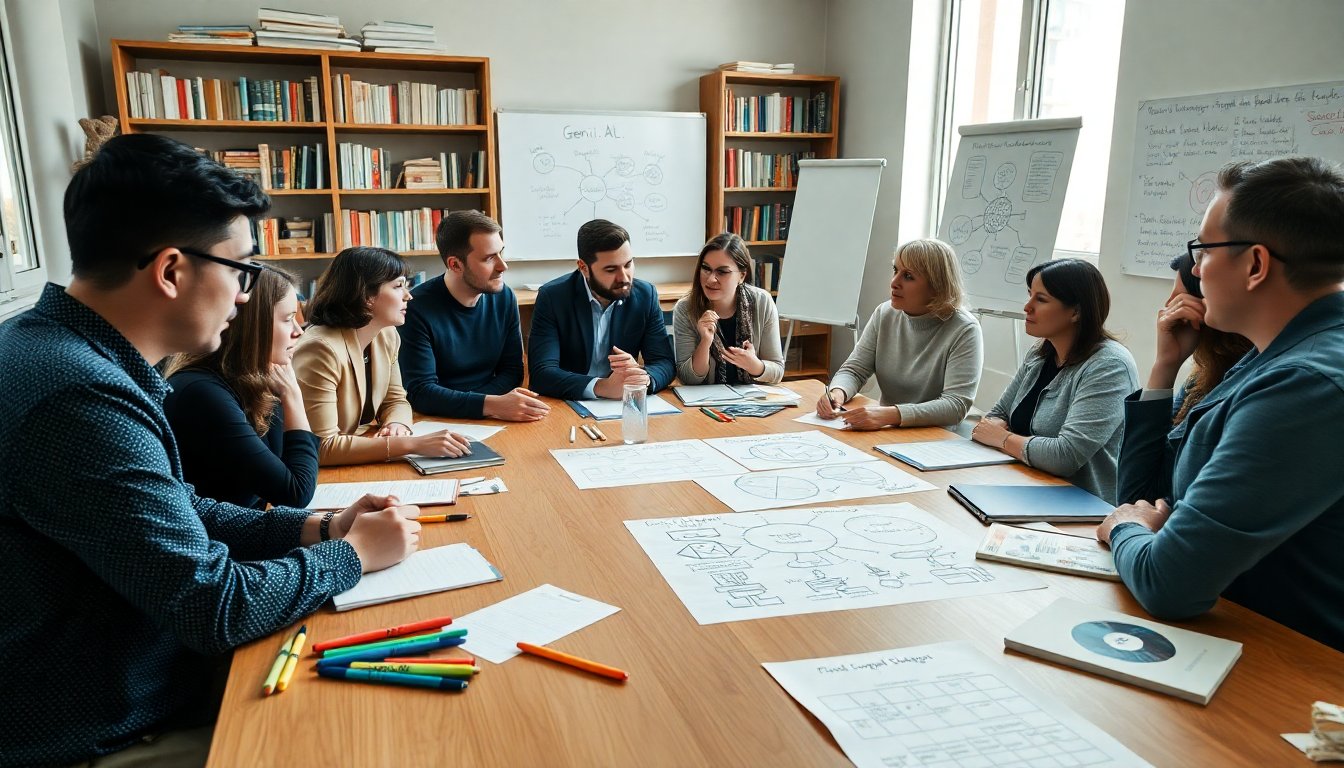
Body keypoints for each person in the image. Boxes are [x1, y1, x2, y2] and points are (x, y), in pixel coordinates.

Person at [0, 133, 421, 768]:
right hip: (110, 727)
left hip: (138, 682)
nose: (247, 295)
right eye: (242, 269)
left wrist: (317, 527)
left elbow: (179, 507)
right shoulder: (77, 395)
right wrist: (351, 555)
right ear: (172, 270)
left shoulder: (58, 351)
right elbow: (213, 606)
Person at [1098, 157, 1344, 651]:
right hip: (1234, 635)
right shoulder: (1267, 357)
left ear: (1255, 264)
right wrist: (1165, 366)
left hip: (1289, 666)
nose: (1194, 268)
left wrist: (1127, 528)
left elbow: (1168, 581)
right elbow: (1149, 496)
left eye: (1203, 250)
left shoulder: (1302, 385)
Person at [971, 258, 1138, 503]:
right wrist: (1002, 435)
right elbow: (996, 416)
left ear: (1076, 312)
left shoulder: (1110, 366)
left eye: (1041, 299)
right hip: (1023, 483)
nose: (1027, 306)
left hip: (1081, 504)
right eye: (1030, 295)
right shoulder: (1040, 353)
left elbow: (1065, 456)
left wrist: (1003, 438)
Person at [294, 246, 473, 465]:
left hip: (358, 451)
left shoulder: (386, 334)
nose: (408, 295)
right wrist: (412, 444)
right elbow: (321, 446)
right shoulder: (320, 349)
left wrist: (398, 426)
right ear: (366, 296)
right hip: (315, 473)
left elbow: (395, 399)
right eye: (398, 286)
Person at [163, 265, 320, 508]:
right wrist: (293, 396)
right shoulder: (202, 393)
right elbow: (295, 492)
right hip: (219, 542)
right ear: (255, 325)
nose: (298, 332)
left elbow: (283, 467)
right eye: (288, 319)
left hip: (249, 529)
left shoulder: (254, 379)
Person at [1116, 252, 1251, 504]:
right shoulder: (1200, 380)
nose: (1167, 307)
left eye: (1179, 298)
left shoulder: (1245, 381)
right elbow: (1136, 497)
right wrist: (1165, 366)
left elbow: (1136, 501)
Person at [817, 238, 983, 430]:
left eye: (909, 276)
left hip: (937, 437)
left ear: (936, 286)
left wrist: (891, 414)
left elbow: (955, 406)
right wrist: (837, 393)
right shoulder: (885, 313)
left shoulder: (965, 329)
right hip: (890, 428)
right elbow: (855, 370)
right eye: (896, 270)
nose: (894, 282)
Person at [398, 210, 547, 422]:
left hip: (490, 414)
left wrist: (487, 405)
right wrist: (491, 404)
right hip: (436, 420)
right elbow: (421, 392)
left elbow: (512, 371)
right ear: (455, 265)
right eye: (489, 258)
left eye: (501, 253)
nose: (503, 266)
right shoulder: (415, 308)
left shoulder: (504, 297)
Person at [527, 219, 676, 399]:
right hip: (569, 402)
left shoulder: (645, 295)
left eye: (628, 264)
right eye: (611, 269)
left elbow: (664, 363)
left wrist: (643, 378)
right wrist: (602, 387)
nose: (624, 278)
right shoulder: (553, 297)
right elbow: (542, 374)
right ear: (583, 267)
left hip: (622, 403)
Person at [672, 233, 784, 385]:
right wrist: (705, 342)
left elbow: (777, 371)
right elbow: (687, 378)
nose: (711, 279)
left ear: (742, 276)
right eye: (706, 269)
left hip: (752, 402)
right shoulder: (685, 309)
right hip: (706, 404)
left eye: (722, 272)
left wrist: (754, 365)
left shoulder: (762, 302)